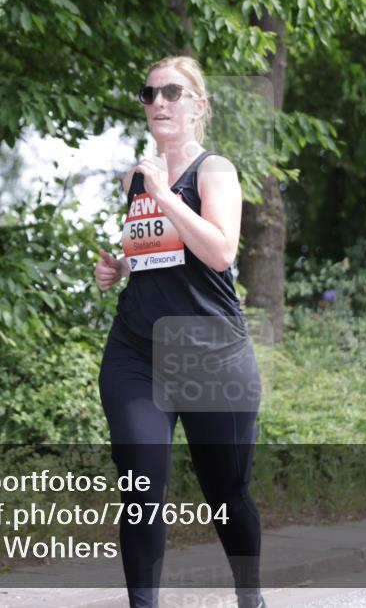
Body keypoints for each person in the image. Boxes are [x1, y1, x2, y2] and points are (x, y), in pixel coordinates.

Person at [94, 56, 266, 608]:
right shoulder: (133, 178)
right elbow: (155, 254)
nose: (159, 102)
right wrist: (118, 268)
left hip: (212, 356)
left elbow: (219, 251)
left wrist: (166, 194)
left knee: (228, 493)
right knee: (140, 488)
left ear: (199, 105)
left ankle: (250, 598)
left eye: (172, 92)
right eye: (150, 93)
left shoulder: (214, 172)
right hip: (137, 354)